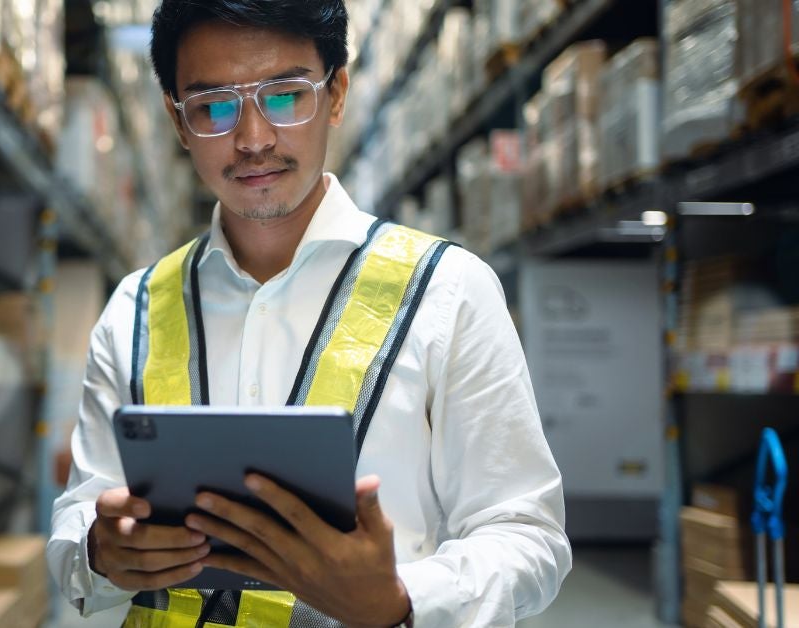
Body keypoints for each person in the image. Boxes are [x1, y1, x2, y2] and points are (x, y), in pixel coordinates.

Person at [47, 1, 572, 626]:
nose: (253, 138)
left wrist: (402, 602)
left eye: (286, 96)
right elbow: (82, 511)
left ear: (338, 92)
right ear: (177, 120)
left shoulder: (449, 293)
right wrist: (100, 552)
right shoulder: (134, 310)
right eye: (213, 106)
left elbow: (526, 533)